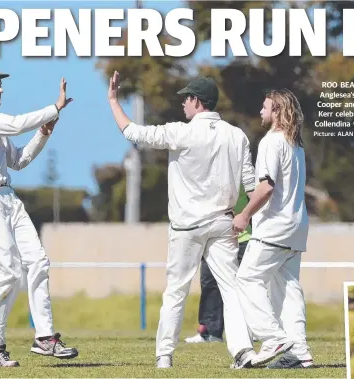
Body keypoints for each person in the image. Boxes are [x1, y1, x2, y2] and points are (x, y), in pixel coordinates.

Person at [107, 72, 257, 369]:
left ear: (197, 102)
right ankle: (243, 351)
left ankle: (164, 355)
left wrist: (113, 100)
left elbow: (133, 133)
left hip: (187, 227)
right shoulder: (236, 135)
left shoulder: (181, 132)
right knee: (232, 289)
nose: (182, 104)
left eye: (185, 99)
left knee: (176, 290)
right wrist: (248, 217)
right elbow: (251, 186)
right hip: (224, 223)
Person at [0, 65, 78, 367]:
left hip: (8, 197)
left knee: (37, 261)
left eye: (0, 84)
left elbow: (18, 160)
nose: (0, 89)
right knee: (8, 271)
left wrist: (43, 133)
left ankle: (45, 338)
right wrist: (54, 108)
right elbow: (14, 125)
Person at [232, 89, 313, 368]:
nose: (261, 112)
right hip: (297, 227)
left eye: (265, 107)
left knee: (246, 279)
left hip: (274, 228)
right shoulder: (296, 145)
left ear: (277, 111)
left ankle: (271, 337)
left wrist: (244, 215)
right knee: (288, 288)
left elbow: (266, 187)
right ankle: (300, 352)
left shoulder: (271, 142)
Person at [184, 186, 251, 344]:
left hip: (244, 237)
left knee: (244, 286)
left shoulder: (246, 172)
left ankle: (249, 331)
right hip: (214, 237)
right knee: (209, 282)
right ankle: (210, 331)